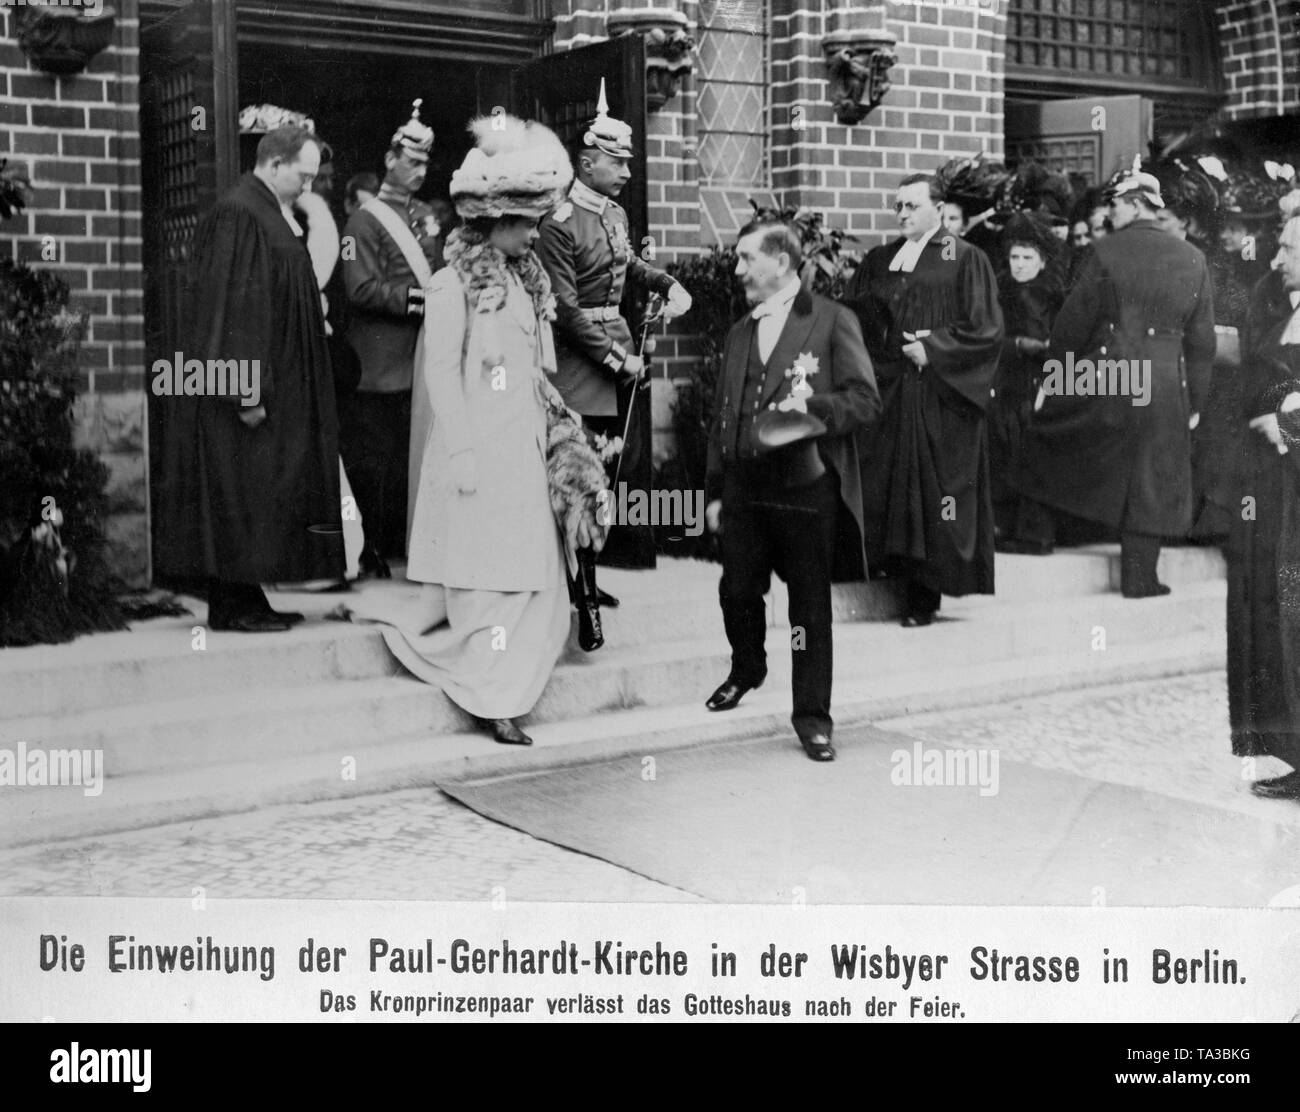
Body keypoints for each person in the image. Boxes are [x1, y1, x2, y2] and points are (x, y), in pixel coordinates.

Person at [345, 114, 603, 747]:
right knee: (487, 583)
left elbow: (540, 369)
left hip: (524, 446)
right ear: (494, 226)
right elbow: (439, 370)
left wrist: (564, 438)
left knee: (535, 580)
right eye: (524, 227)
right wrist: (459, 448)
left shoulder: (529, 284)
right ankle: (493, 699)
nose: (533, 237)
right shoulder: (451, 284)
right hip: (474, 451)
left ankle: (514, 681)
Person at [703, 218, 879, 762]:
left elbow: (865, 400)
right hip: (744, 487)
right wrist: (714, 491)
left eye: (745, 258)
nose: (737, 270)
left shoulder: (831, 320)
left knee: (808, 606)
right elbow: (723, 416)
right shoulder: (739, 332)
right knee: (737, 589)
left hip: (804, 487)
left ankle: (812, 717)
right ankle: (748, 666)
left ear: (780, 262)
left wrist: (810, 410)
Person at [153, 125, 343, 631]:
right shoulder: (240, 213)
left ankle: (248, 595)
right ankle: (232, 604)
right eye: (302, 177)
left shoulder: (265, 209)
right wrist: (244, 390)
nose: (307, 188)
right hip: (249, 390)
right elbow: (231, 307)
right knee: (242, 486)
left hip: (273, 382)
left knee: (259, 489)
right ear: (274, 164)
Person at [1009, 163, 1217, 596]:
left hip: (1111, 372)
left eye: (1117, 204)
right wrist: (1194, 401)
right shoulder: (1194, 258)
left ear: (1138, 204)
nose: (1109, 214)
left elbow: (1071, 324)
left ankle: (1036, 534)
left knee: (1052, 434)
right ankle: (1141, 577)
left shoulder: (1107, 252)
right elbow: (1202, 343)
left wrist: (1056, 379)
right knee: (1153, 474)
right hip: (1165, 379)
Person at [536, 80, 692, 642]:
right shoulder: (557, 221)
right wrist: (615, 358)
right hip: (582, 363)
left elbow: (628, 267)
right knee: (577, 473)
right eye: (617, 162)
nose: (627, 172)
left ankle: (590, 575)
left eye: (628, 162)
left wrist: (668, 282)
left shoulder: (616, 215)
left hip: (619, 350)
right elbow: (563, 308)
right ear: (588, 161)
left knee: (610, 472)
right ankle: (582, 598)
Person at [844, 172, 1003, 627]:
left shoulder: (963, 257)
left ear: (938, 206)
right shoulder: (881, 258)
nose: (902, 215)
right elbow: (854, 318)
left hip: (939, 397)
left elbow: (986, 329)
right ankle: (885, 569)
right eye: (897, 207)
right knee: (885, 483)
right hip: (889, 391)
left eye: (911, 206)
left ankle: (923, 596)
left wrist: (931, 348)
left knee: (931, 496)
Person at [341, 100, 445, 578]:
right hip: (379, 364)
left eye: (425, 162)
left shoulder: (426, 215)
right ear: (390, 160)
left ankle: (408, 543)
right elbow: (360, 288)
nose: (420, 170)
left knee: (414, 460)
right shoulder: (363, 221)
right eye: (411, 161)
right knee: (375, 464)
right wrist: (422, 301)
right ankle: (370, 550)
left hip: (422, 357)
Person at [1229, 213, 1300, 800]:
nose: (1278, 259)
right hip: (1279, 492)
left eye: (1289, 247)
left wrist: (1286, 424)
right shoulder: (1281, 307)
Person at [989, 213, 1064, 540]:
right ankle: (1005, 524)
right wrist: (1018, 345)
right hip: (1006, 380)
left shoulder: (1055, 293)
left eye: (1027, 258)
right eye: (1014, 257)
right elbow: (985, 337)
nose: (1019, 264)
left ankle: (1033, 531)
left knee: (1034, 452)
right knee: (1004, 450)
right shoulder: (998, 291)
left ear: (1042, 261)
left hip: (1043, 381)